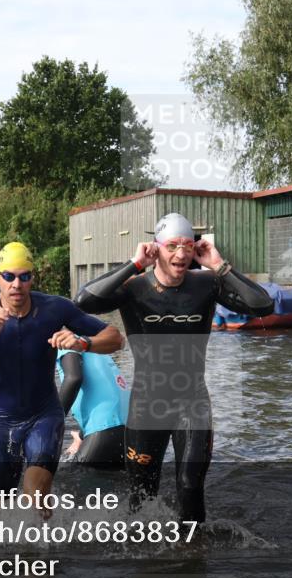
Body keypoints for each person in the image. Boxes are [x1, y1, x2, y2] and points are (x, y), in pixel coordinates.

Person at [75, 212, 274, 522]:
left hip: (192, 401)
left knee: (189, 485)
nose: (181, 254)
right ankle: (146, 561)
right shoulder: (134, 288)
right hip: (147, 404)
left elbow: (263, 305)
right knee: (142, 494)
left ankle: (192, 557)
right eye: (172, 246)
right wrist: (134, 263)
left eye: (187, 245)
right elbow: (83, 300)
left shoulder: (207, 284)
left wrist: (220, 266)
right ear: (156, 249)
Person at [0, 241, 123, 505]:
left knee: (34, 497)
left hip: (44, 416)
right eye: (9, 276)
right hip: (1, 421)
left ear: (32, 278)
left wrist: (83, 342)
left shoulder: (54, 308)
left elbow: (115, 338)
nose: (16, 284)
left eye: (24, 276)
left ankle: (42, 538)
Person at [57, 349, 129, 469]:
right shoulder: (95, 346)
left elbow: (73, 378)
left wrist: (52, 423)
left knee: (68, 480)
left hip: (104, 428)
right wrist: (81, 436)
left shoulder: (65, 341)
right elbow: (103, 394)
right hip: (128, 427)